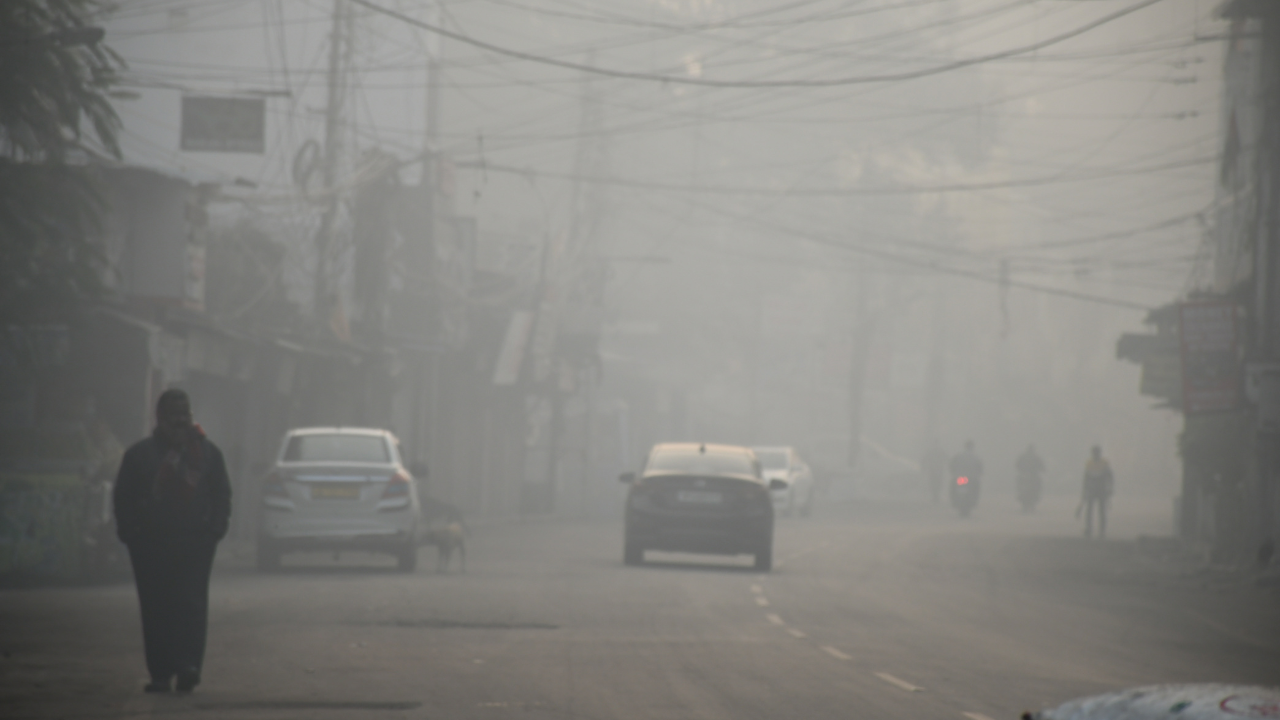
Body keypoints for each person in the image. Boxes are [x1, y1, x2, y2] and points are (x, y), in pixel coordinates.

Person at [113, 389, 231, 694]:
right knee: (156, 609)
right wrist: (132, 534)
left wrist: (214, 531)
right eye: (174, 414)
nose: (180, 420)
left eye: (185, 414)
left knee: (191, 606)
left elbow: (221, 494)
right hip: (151, 545)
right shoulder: (139, 455)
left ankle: (189, 667)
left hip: (195, 544)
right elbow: (123, 498)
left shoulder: (207, 454)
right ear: (160, 417)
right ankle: (161, 674)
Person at [1077, 445, 1114, 538]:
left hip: (1101, 490)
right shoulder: (1089, 463)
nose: (1095, 454)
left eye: (1096, 452)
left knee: (1101, 511)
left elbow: (1110, 477)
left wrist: (1110, 488)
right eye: (1094, 453)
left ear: (1099, 453)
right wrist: (1084, 490)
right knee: (1089, 510)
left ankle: (1102, 530)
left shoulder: (1104, 463)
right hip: (1092, 490)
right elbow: (1086, 478)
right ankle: (1089, 529)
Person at [1014, 443, 1046, 511]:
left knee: (1037, 484)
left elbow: (1017, 465)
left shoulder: (1024, 456)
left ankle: (1030, 497)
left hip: (1029, 475)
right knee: (1036, 484)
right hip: (1028, 475)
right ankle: (1028, 497)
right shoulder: (1035, 457)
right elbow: (1042, 466)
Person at [920, 439, 948, 504]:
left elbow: (925, 460)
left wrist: (923, 468)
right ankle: (936, 496)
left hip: (933, 469)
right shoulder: (940, 451)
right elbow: (946, 459)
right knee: (938, 483)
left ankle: (935, 496)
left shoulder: (931, 451)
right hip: (938, 469)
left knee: (933, 483)